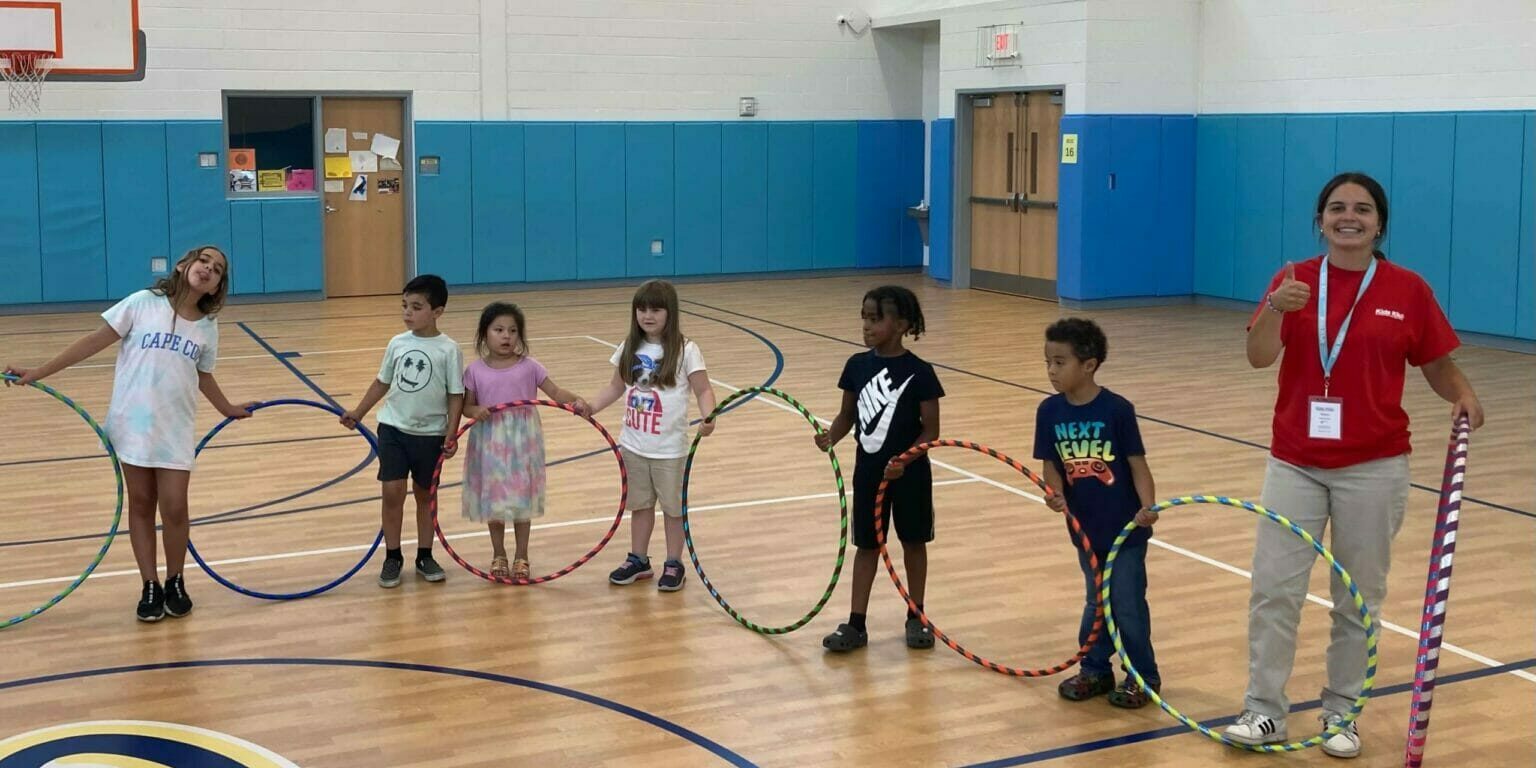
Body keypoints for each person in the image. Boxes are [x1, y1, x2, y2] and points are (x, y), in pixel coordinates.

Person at [1227, 172, 1484, 758]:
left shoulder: (1407, 289)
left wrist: (1464, 395)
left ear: (1379, 224)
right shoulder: (1293, 281)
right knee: (1274, 591)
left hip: (1375, 466)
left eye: (1363, 209)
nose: (1350, 217)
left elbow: (1437, 364)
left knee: (1358, 600)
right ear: (1320, 220)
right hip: (1295, 462)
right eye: (1337, 207)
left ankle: (1342, 714)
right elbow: (1257, 357)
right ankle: (1264, 710)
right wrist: (1273, 308)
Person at [5, 245, 254, 622]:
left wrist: (227, 408)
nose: (208, 269)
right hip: (133, 424)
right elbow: (92, 341)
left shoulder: (207, 326)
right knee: (140, 504)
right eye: (203, 261)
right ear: (184, 264)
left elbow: (203, 375)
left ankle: (175, 580)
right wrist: (39, 371)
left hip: (175, 427)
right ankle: (149, 585)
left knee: (175, 507)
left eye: (217, 269)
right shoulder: (142, 302)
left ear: (218, 286)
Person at [1033, 317, 1161, 708]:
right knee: (1096, 601)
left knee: (1126, 603)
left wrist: (1148, 507)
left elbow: (1137, 464)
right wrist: (1053, 494)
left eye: (1060, 362)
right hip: (1085, 529)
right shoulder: (1049, 411)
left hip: (1125, 530)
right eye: (1048, 362)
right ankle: (1095, 668)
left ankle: (1142, 677)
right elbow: (1051, 464)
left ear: (1088, 365)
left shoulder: (1117, 410)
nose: (1052, 371)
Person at [817, 285, 944, 652]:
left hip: (912, 475)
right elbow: (847, 415)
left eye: (876, 319)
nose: (867, 326)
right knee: (868, 546)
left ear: (902, 324)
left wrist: (905, 460)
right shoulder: (857, 366)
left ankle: (916, 614)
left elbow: (931, 429)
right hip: (869, 473)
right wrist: (831, 437)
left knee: (913, 542)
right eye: (864, 318)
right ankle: (856, 624)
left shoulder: (920, 372)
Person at [585, 280, 716, 592]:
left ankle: (674, 562)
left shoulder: (686, 350)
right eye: (642, 308)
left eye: (656, 309)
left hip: (669, 450)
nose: (648, 315)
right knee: (640, 506)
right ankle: (639, 559)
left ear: (670, 313)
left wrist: (710, 415)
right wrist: (591, 406)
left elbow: (704, 389)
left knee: (673, 509)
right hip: (633, 446)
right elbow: (615, 387)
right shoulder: (630, 347)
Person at [340, 274, 465, 589]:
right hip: (393, 429)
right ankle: (392, 556)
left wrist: (452, 433)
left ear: (437, 312)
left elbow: (456, 395)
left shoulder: (449, 349)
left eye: (416, 307)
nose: (407, 312)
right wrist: (358, 411)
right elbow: (382, 381)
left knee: (425, 495)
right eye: (405, 306)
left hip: (432, 435)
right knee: (392, 492)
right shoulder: (397, 343)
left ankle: (425, 554)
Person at [460, 301, 586, 581]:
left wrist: (576, 399)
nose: (506, 336)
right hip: (490, 441)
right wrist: (475, 411)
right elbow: (467, 407)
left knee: (520, 501)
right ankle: (498, 554)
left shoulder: (530, 367)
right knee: (494, 501)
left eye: (513, 331)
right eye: (499, 330)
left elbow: (554, 391)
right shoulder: (474, 371)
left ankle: (522, 556)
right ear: (485, 334)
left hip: (522, 442)